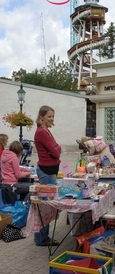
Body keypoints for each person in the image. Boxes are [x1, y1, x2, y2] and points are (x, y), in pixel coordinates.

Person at [34, 105, 61, 247]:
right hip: (46, 171)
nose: (51, 119)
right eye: (49, 116)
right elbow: (56, 152)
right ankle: (42, 238)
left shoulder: (47, 131)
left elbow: (57, 148)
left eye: (53, 116)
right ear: (42, 117)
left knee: (47, 205)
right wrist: (56, 149)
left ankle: (42, 237)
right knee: (45, 205)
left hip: (51, 170)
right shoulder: (42, 133)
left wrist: (56, 148)